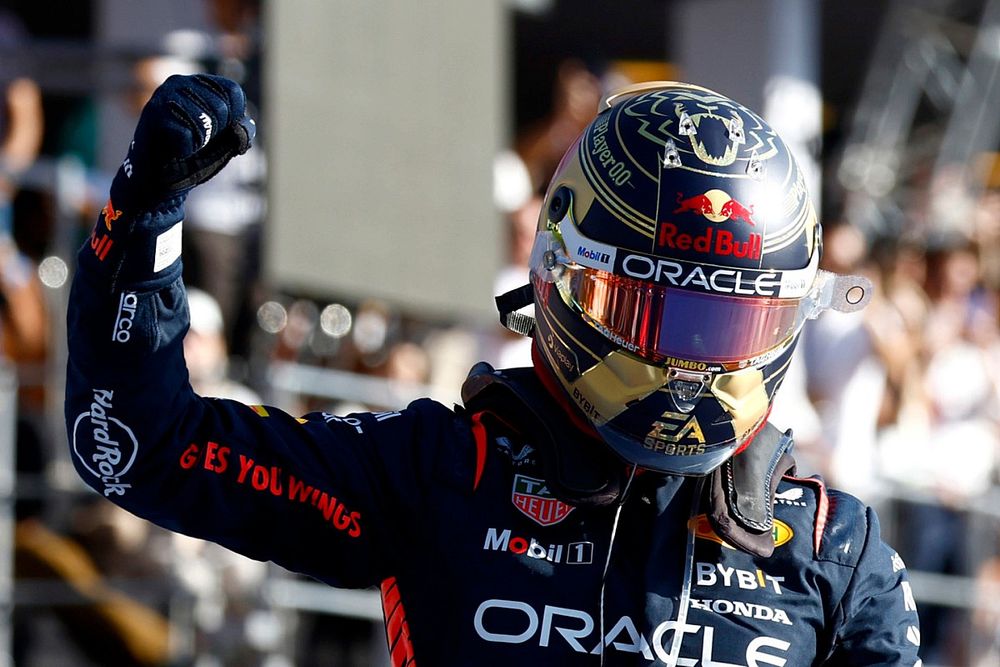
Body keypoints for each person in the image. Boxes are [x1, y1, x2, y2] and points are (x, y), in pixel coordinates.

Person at [64, 74, 922, 665]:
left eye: (734, 320)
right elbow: (138, 445)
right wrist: (141, 218)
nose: (692, 359)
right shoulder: (441, 471)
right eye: (653, 314)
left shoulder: (834, 553)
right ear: (561, 280)